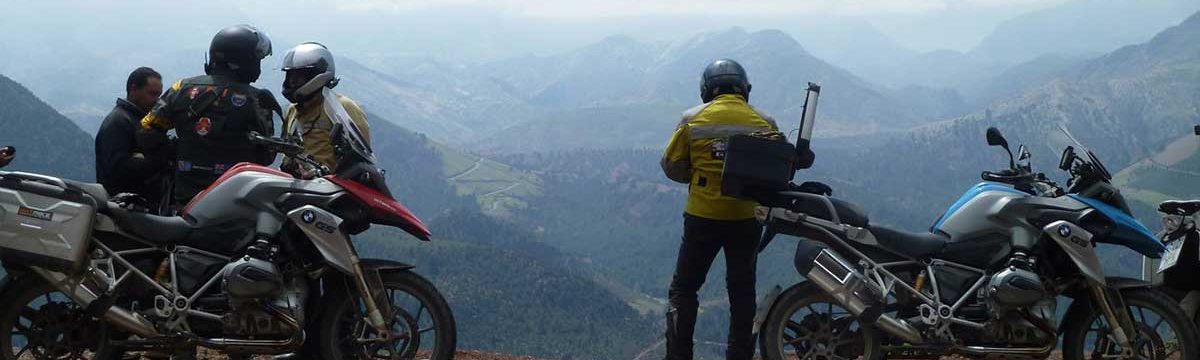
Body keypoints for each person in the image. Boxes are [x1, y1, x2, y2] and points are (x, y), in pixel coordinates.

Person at [660, 59, 778, 360]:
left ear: (706, 89)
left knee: (684, 290)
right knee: (741, 292)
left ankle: (678, 356)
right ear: (743, 87)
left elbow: (671, 165)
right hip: (746, 217)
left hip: (702, 216)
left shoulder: (692, 119)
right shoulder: (764, 121)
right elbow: (776, 170)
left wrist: (699, 176)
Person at [138, 24, 281, 205]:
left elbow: (146, 132)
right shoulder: (257, 99)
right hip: (234, 202)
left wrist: (179, 150)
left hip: (184, 199)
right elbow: (265, 156)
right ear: (246, 60)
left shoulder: (180, 88)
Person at [278, 42, 370, 178]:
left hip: (331, 190)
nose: (292, 81)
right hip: (296, 186)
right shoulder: (292, 111)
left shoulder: (342, 107)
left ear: (315, 74)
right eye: (290, 75)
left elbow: (361, 158)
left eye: (298, 75)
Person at [95, 67, 167, 207]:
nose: (156, 100)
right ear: (133, 89)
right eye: (152, 94)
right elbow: (118, 169)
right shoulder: (118, 122)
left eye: (159, 95)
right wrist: (158, 160)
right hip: (122, 208)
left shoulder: (140, 121)